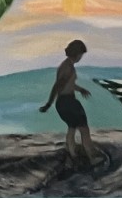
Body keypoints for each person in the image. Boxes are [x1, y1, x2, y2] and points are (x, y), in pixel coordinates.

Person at [38, 39, 98, 167]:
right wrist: (48, 104)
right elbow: (57, 86)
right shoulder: (68, 68)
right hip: (69, 102)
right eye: (81, 54)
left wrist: (80, 89)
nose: (81, 57)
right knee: (84, 130)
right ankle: (92, 159)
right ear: (77, 53)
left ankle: (73, 155)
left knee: (72, 128)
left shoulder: (66, 65)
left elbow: (67, 85)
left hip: (62, 103)